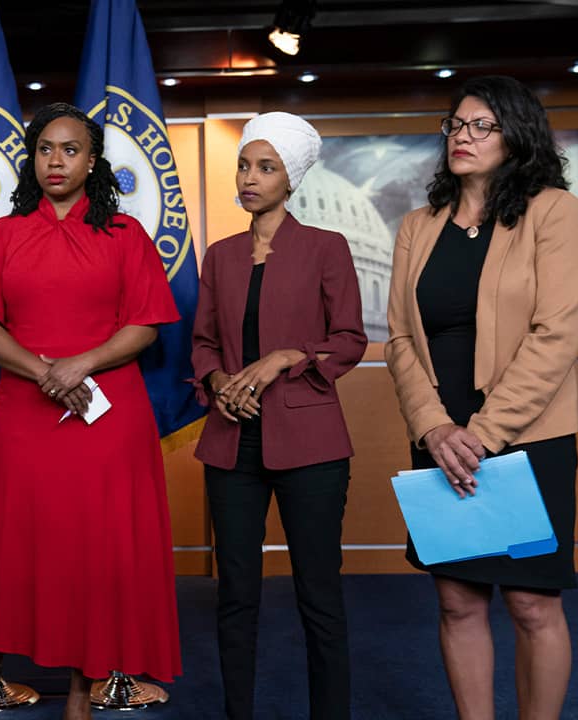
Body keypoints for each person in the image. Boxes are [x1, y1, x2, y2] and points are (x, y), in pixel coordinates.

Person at [0, 103, 182, 720]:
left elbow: (146, 327)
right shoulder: (1, 234)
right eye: (46, 148)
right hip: (25, 415)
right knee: (7, 549)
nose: (56, 160)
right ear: (32, 157)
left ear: (92, 161)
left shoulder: (125, 235)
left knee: (93, 556)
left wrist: (83, 363)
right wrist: (44, 370)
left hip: (107, 419)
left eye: (70, 149)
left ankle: (81, 700)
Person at [384, 75, 578, 719]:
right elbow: (398, 340)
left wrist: (482, 434)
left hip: (528, 441)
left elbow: (556, 333)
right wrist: (435, 429)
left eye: (481, 126)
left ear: (517, 136)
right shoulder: (418, 226)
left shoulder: (552, 210)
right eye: (456, 124)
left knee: (532, 604)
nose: (462, 136)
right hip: (441, 443)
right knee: (458, 601)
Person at [191, 112, 367, 720]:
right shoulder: (219, 257)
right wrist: (217, 380)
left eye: (266, 167)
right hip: (230, 445)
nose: (249, 177)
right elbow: (204, 342)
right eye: (244, 164)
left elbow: (349, 340)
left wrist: (286, 357)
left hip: (312, 447)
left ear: (290, 179)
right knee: (235, 595)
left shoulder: (326, 247)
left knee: (319, 595)